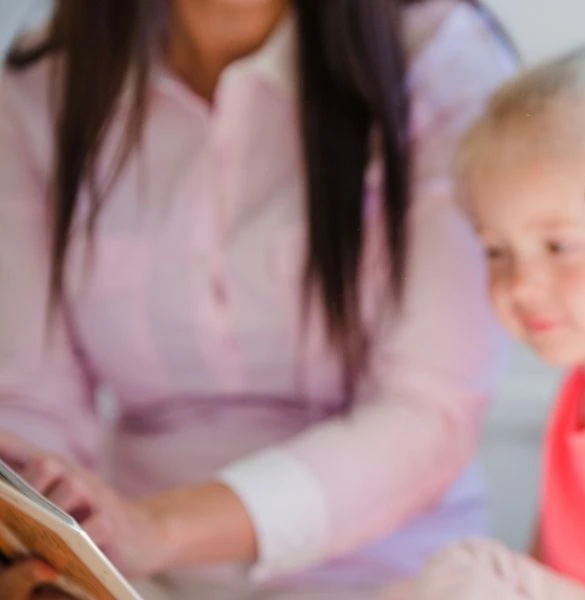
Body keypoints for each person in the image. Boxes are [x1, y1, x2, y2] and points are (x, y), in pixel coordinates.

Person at [0, 0, 517, 597]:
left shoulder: (441, 56)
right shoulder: (38, 84)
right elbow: (28, 407)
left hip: (394, 573)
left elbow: (431, 413)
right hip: (130, 574)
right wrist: (47, 553)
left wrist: (155, 527)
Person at [412, 20, 585, 600]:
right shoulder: (577, 391)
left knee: (462, 577)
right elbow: (548, 557)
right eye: (495, 251)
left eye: (558, 247)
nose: (521, 285)